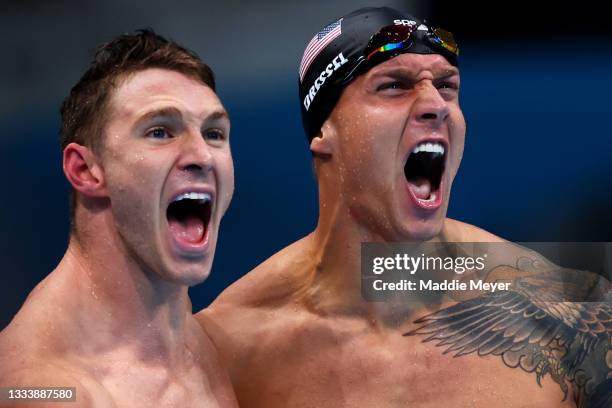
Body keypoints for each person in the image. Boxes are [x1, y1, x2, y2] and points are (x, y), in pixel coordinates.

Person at [197, 7, 611, 408]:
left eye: (447, 86)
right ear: (325, 131)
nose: (435, 104)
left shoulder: (572, 314)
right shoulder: (227, 346)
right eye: (394, 85)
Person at [0, 30, 238, 407]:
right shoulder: (45, 388)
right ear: (86, 170)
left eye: (213, 133)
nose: (202, 155)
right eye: (160, 131)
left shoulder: (217, 340)